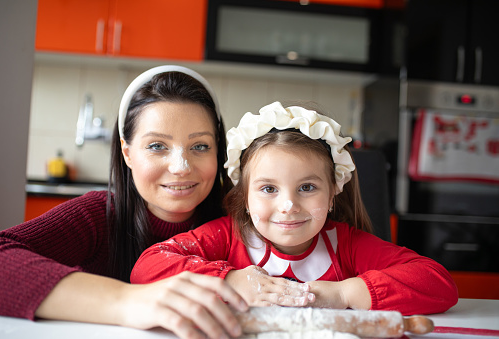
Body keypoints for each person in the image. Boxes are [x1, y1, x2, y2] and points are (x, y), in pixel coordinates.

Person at [0, 66, 310, 339]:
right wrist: (129, 300)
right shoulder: (99, 215)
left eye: (199, 146)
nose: (181, 167)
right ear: (128, 153)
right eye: (157, 146)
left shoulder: (255, 217)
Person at [131, 101, 459, 315]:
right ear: (245, 196)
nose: (288, 206)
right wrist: (228, 281)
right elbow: (148, 267)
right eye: (268, 189)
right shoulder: (228, 236)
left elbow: (437, 283)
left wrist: (345, 293)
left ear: (333, 193)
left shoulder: (346, 244)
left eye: (307, 187)